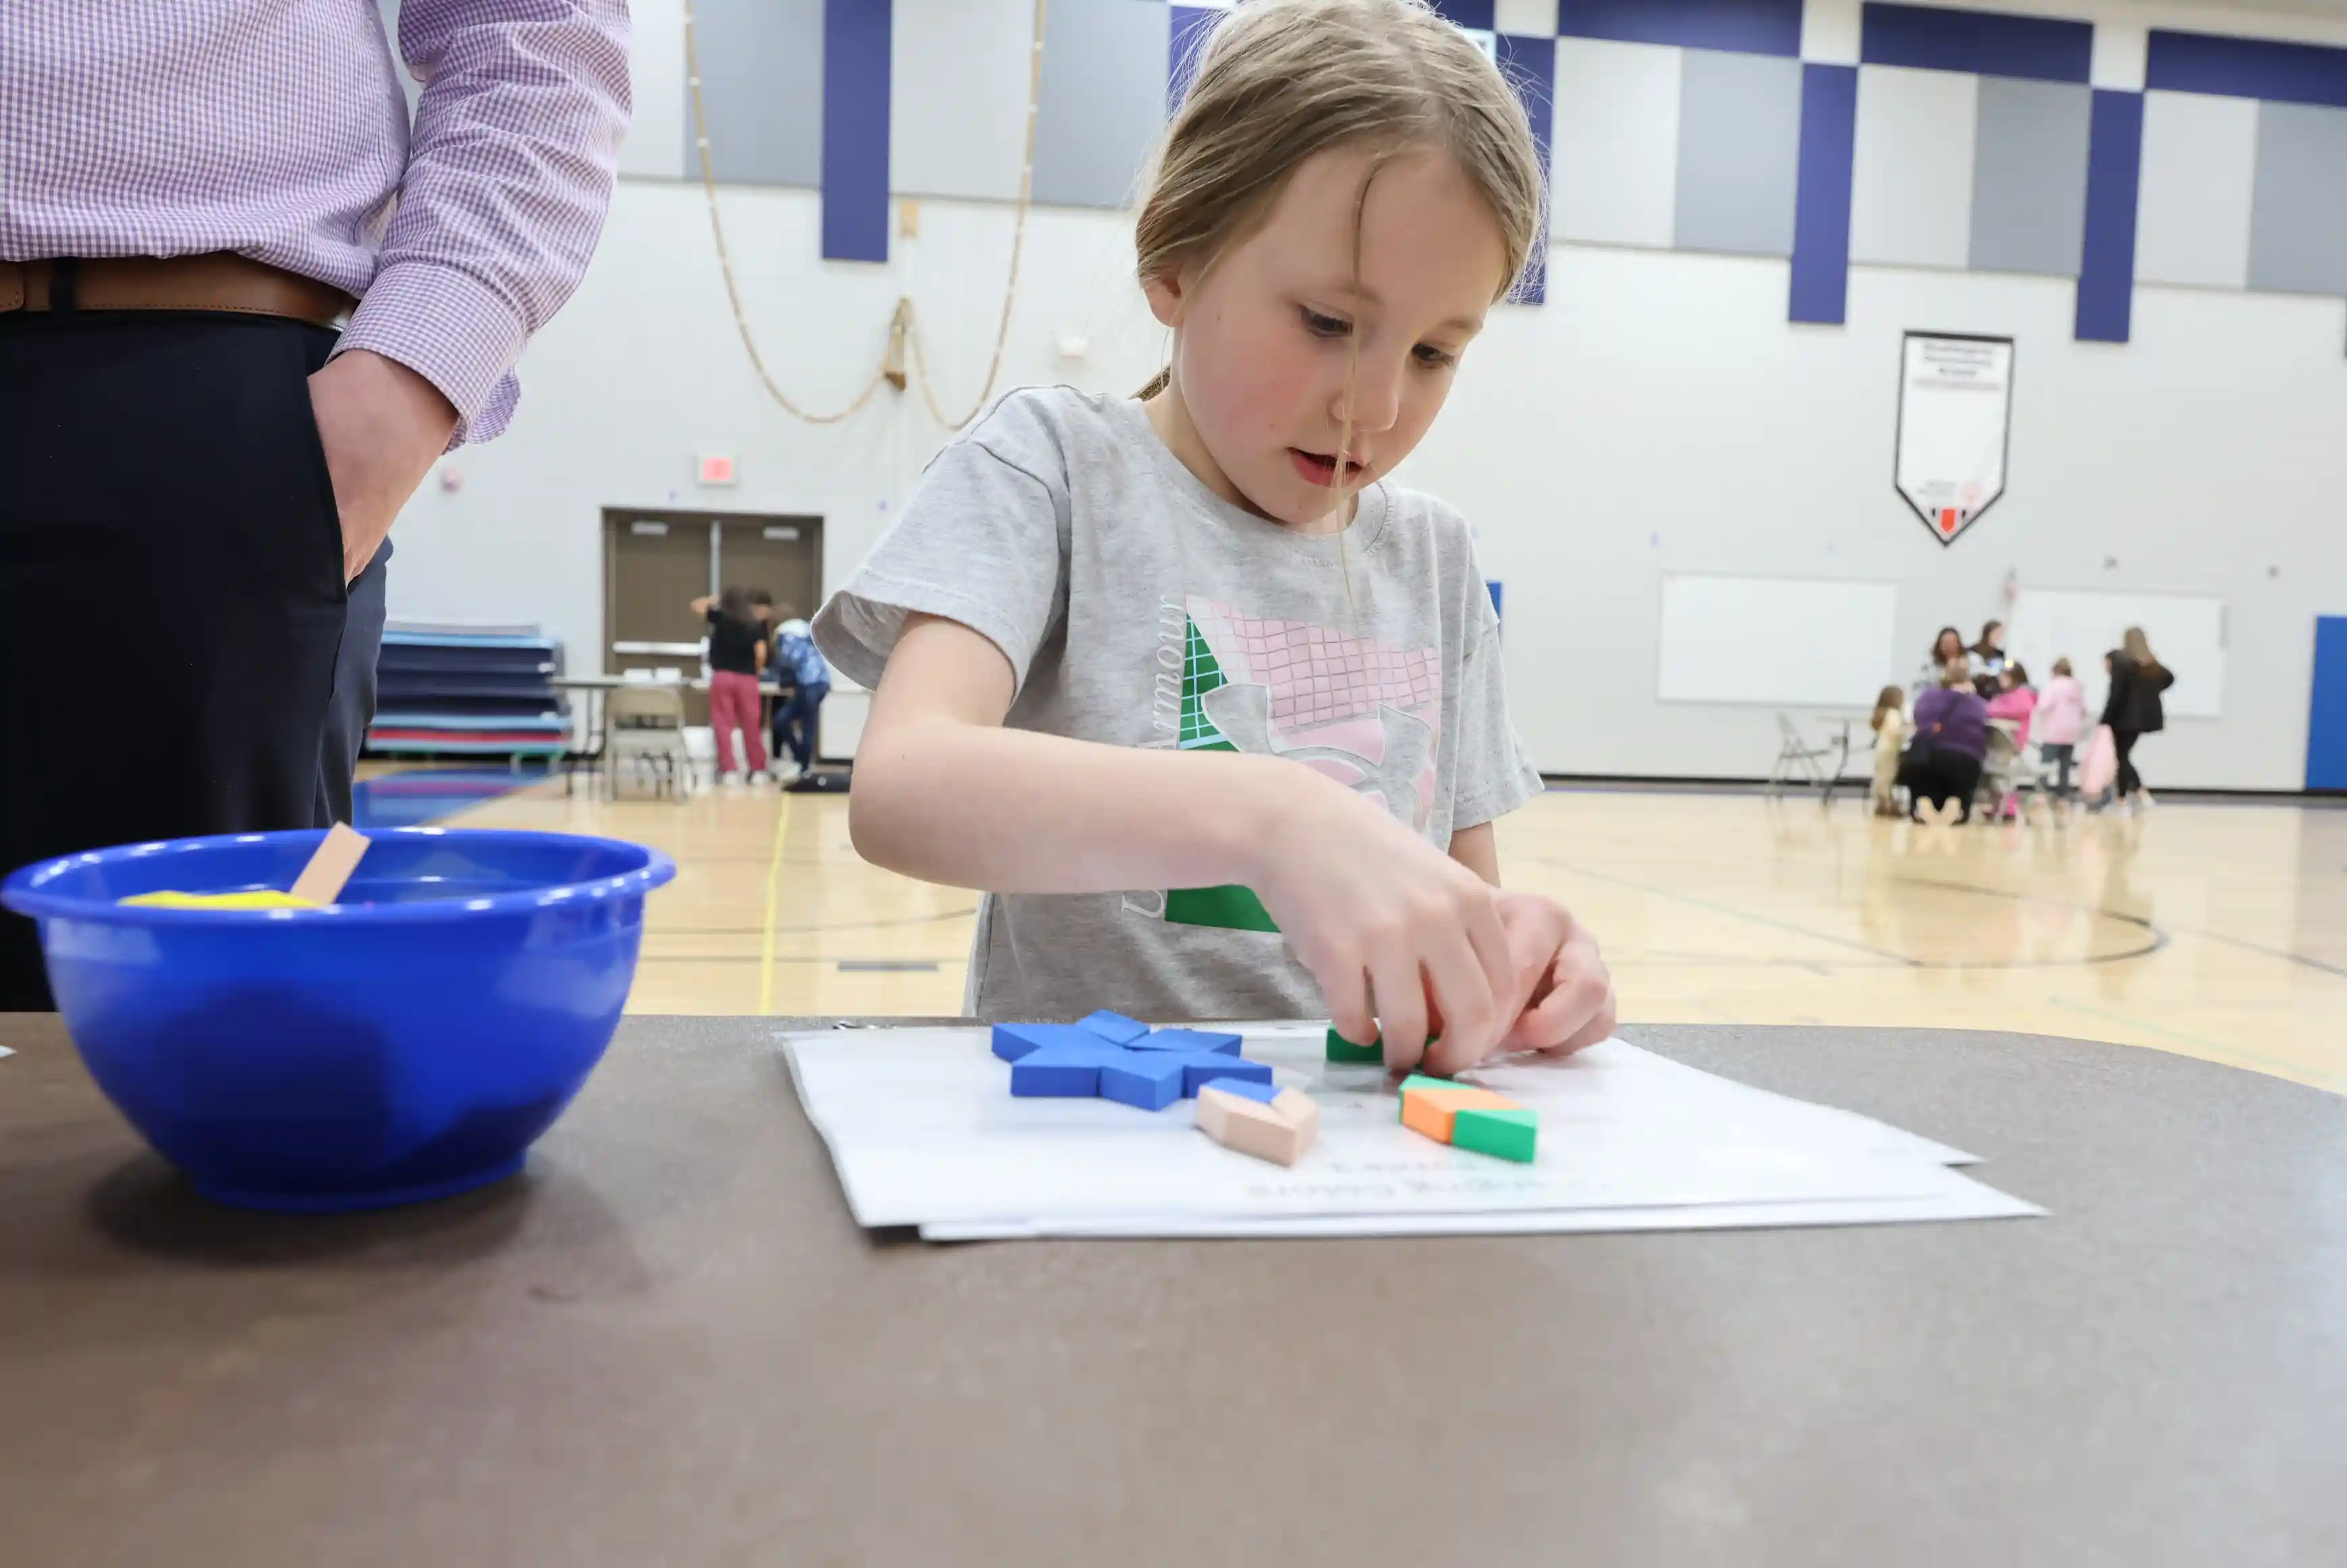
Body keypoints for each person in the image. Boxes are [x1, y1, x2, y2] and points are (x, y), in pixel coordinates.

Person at [809, 0, 1612, 1075]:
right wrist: (1268, 813)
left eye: (1434, 353)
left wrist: (1519, 960)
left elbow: (1465, 901)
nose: (1373, 406)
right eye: (1329, 324)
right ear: (1176, 263)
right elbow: (903, 788)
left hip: (1352, 1161)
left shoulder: (1438, 561)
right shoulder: (1052, 471)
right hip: (1085, 1155)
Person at [0, 6, 631, 1010]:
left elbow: (533, 30)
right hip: (218, 421)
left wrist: (409, 381)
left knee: (201, 1055)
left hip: (200, 402)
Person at [693, 589, 771, 785]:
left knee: (723, 724)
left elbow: (696, 606)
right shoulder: (755, 624)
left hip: (722, 677)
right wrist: (756, 670)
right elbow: (761, 653)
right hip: (747, 679)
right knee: (751, 724)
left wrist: (714, 599)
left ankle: (729, 770)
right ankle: (757, 769)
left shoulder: (720, 618)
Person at [752, 594, 833, 779]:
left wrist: (778, 677)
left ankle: (802, 763)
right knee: (807, 724)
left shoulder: (785, 634)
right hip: (822, 681)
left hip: (807, 683)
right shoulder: (806, 630)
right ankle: (803, 764)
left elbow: (790, 660)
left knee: (784, 721)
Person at [1897, 663, 1990, 824]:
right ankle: (1957, 805)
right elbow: (1986, 723)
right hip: (1965, 760)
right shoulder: (1977, 703)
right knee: (1960, 792)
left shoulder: (1926, 698)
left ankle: (1922, 805)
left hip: (1926, 758)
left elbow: (1917, 721)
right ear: (1968, 681)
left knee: (1925, 788)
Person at [2100, 628, 2173, 813]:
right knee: (2123, 757)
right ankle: (2138, 795)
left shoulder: (2121, 662)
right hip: (2141, 720)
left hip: (2122, 719)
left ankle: (2125, 799)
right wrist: (2150, 692)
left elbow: (2115, 695)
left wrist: (2105, 720)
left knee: (2121, 758)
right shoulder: (2150, 664)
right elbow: (2169, 678)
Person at [1983, 662, 2038, 819]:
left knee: (2002, 771)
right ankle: (2000, 804)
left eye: (2005, 676)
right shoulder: (2003, 696)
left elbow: (2009, 709)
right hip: (2002, 746)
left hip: (2016, 745)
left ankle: (2009, 806)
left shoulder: (2024, 695)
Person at [1868, 685, 1910, 819]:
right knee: (1888, 777)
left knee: (1881, 777)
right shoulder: (1894, 714)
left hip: (1881, 748)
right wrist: (1908, 728)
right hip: (1890, 750)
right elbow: (1895, 731)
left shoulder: (1882, 714)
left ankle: (1882, 804)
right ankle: (1887, 805)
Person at [1914, 627, 1966, 697]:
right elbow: (1918, 688)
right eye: (1946, 643)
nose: (1949, 646)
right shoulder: (1929, 666)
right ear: (1939, 645)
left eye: (1952, 642)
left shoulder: (1970, 661)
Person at [1968, 620, 2008, 695]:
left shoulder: (2000, 654)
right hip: (1975, 688)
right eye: (1996, 634)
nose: (1999, 637)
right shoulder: (1973, 651)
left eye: (2001, 634)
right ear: (1987, 633)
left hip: (1993, 689)